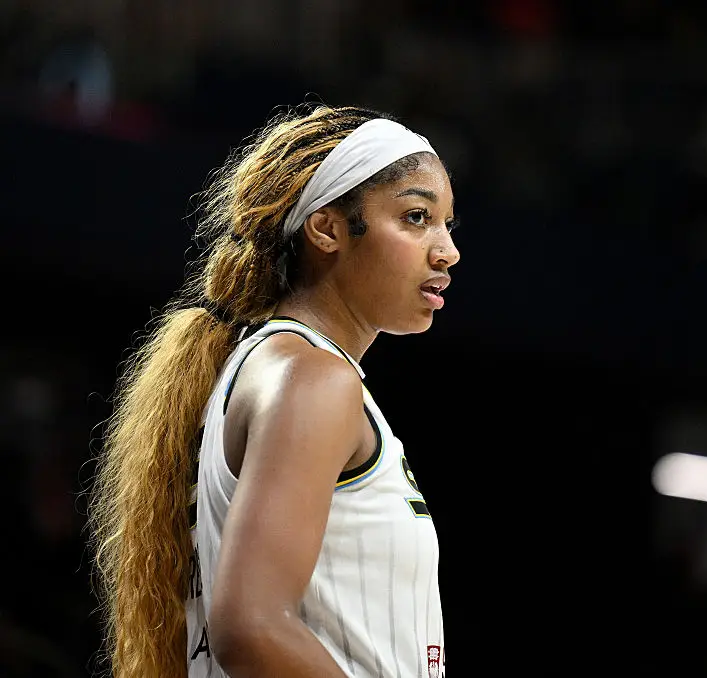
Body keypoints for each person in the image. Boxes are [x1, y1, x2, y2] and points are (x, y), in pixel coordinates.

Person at [88, 104, 459, 678]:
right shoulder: (311, 378)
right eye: (415, 217)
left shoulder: (278, 368)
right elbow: (251, 626)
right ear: (328, 228)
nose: (446, 251)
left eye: (446, 225)